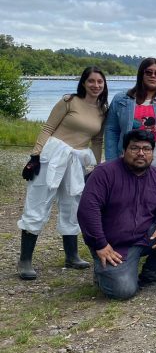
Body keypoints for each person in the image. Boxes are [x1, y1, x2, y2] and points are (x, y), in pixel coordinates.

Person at [17, 67, 109, 280]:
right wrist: (35, 156)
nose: (96, 85)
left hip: (77, 160)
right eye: (91, 81)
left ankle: (72, 255)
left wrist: (94, 166)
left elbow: (97, 140)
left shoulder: (103, 109)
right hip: (53, 155)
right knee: (38, 203)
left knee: (73, 205)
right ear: (84, 83)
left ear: (104, 85)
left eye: (100, 82)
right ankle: (25, 260)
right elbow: (48, 128)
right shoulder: (69, 101)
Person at [77, 129, 156, 300]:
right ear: (124, 151)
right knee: (123, 291)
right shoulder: (104, 173)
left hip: (144, 236)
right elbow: (87, 210)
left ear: (152, 153)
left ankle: (150, 271)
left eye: (147, 149)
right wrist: (100, 244)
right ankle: (102, 274)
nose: (141, 153)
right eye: (135, 148)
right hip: (113, 244)